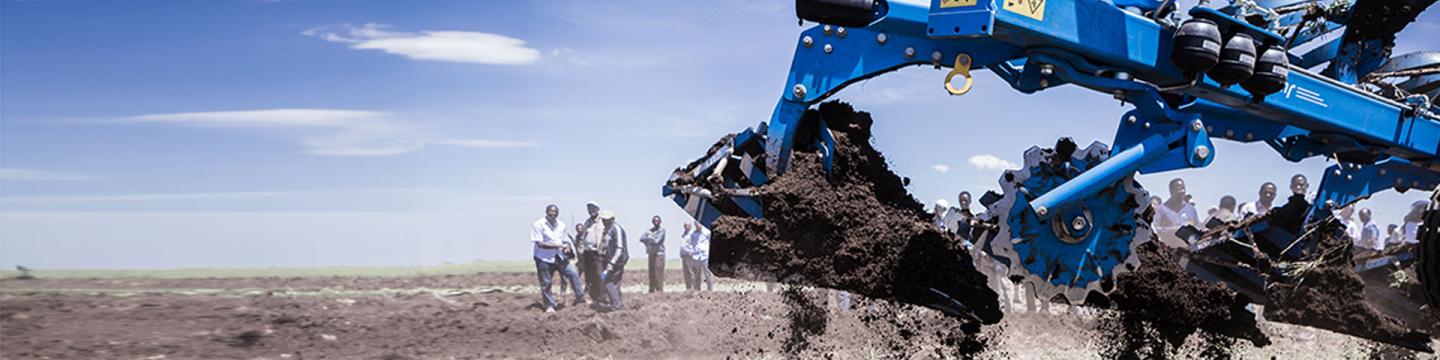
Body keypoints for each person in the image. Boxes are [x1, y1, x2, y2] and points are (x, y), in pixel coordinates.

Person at [530, 204, 585, 313]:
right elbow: (540, 244)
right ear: (546, 212)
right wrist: (558, 245)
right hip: (544, 258)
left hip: (559, 257)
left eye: (555, 212)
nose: (553, 214)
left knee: (573, 274)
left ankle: (581, 299)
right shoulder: (538, 225)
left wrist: (567, 247)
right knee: (546, 282)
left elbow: (564, 240)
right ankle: (549, 305)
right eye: (551, 211)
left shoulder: (561, 225)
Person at [595, 210, 629, 311]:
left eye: (607, 220)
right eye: (603, 220)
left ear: (612, 219)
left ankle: (617, 305)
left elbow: (619, 248)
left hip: (617, 260)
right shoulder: (607, 229)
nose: (604, 222)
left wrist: (612, 263)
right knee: (615, 283)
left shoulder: (616, 229)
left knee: (608, 282)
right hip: (610, 259)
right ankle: (617, 304)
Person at [1154, 178, 1199, 248]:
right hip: (1169, 249)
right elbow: (1155, 230)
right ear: (1171, 191)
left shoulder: (1191, 209)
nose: (1182, 191)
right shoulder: (1160, 209)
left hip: (1189, 249)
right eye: (1178, 189)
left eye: (1183, 188)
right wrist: (1177, 229)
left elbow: (1197, 227)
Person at [578, 202, 607, 305]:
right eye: (589, 209)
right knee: (589, 276)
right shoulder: (587, 222)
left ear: (597, 209)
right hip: (588, 252)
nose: (591, 211)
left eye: (593, 209)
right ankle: (593, 297)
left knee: (599, 275)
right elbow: (583, 236)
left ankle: (602, 296)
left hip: (598, 252)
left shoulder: (602, 221)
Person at [638, 215, 667, 293]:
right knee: (651, 272)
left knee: (658, 273)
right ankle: (651, 290)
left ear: (660, 222)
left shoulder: (662, 231)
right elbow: (641, 238)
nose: (656, 222)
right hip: (651, 253)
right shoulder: (649, 230)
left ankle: (659, 290)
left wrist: (648, 239)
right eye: (654, 221)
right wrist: (650, 239)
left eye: (657, 221)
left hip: (659, 254)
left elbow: (656, 241)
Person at [686, 221, 715, 291]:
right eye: (696, 224)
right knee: (696, 275)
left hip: (705, 256)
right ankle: (697, 289)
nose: (698, 225)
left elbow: (711, 242)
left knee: (708, 274)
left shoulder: (707, 232)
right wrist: (691, 251)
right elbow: (692, 243)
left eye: (699, 224)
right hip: (696, 257)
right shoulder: (693, 234)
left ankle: (710, 290)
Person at [680, 222, 698, 291]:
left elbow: (695, 244)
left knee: (691, 272)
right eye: (685, 225)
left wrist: (692, 252)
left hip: (690, 255)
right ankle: (688, 288)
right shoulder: (683, 234)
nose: (686, 227)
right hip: (684, 255)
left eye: (687, 225)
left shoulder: (692, 234)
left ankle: (694, 288)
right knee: (686, 273)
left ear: (690, 226)